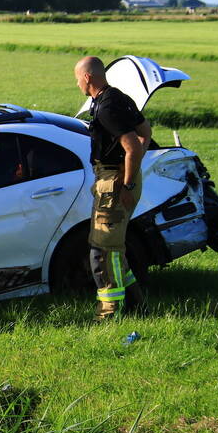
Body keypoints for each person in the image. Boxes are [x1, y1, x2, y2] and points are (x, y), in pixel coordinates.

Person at [75, 56, 152, 320]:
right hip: (118, 178)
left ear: (87, 77)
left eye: (77, 79)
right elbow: (146, 132)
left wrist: (126, 183)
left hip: (114, 182)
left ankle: (109, 312)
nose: (77, 84)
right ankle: (137, 305)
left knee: (103, 251)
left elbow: (132, 145)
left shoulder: (107, 107)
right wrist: (131, 171)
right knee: (114, 248)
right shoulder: (119, 97)